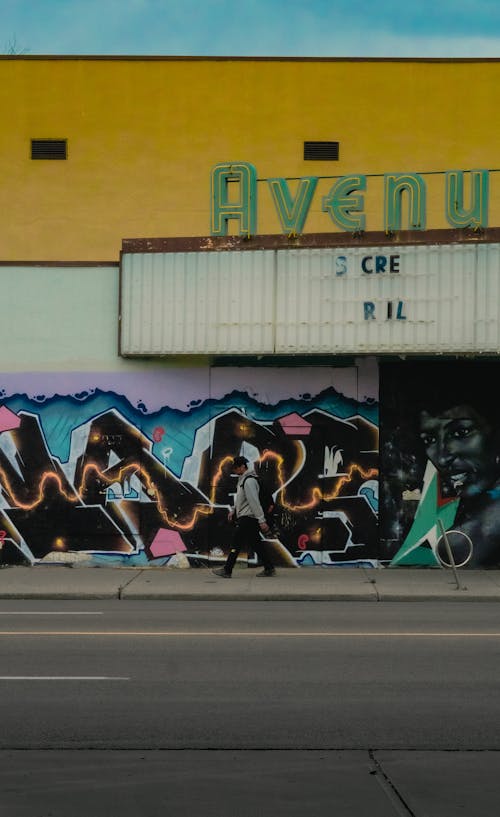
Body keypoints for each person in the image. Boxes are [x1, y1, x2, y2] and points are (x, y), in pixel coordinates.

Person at [212, 455, 276, 578]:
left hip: (248, 518)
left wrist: (261, 520)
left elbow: (253, 501)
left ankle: (227, 570)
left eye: (236, 468)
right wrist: (234, 510)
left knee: (236, 542)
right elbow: (242, 499)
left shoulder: (249, 481)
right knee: (256, 543)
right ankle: (269, 568)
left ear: (243, 467)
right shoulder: (243, 480)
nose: (234, 471)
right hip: (247, 517)